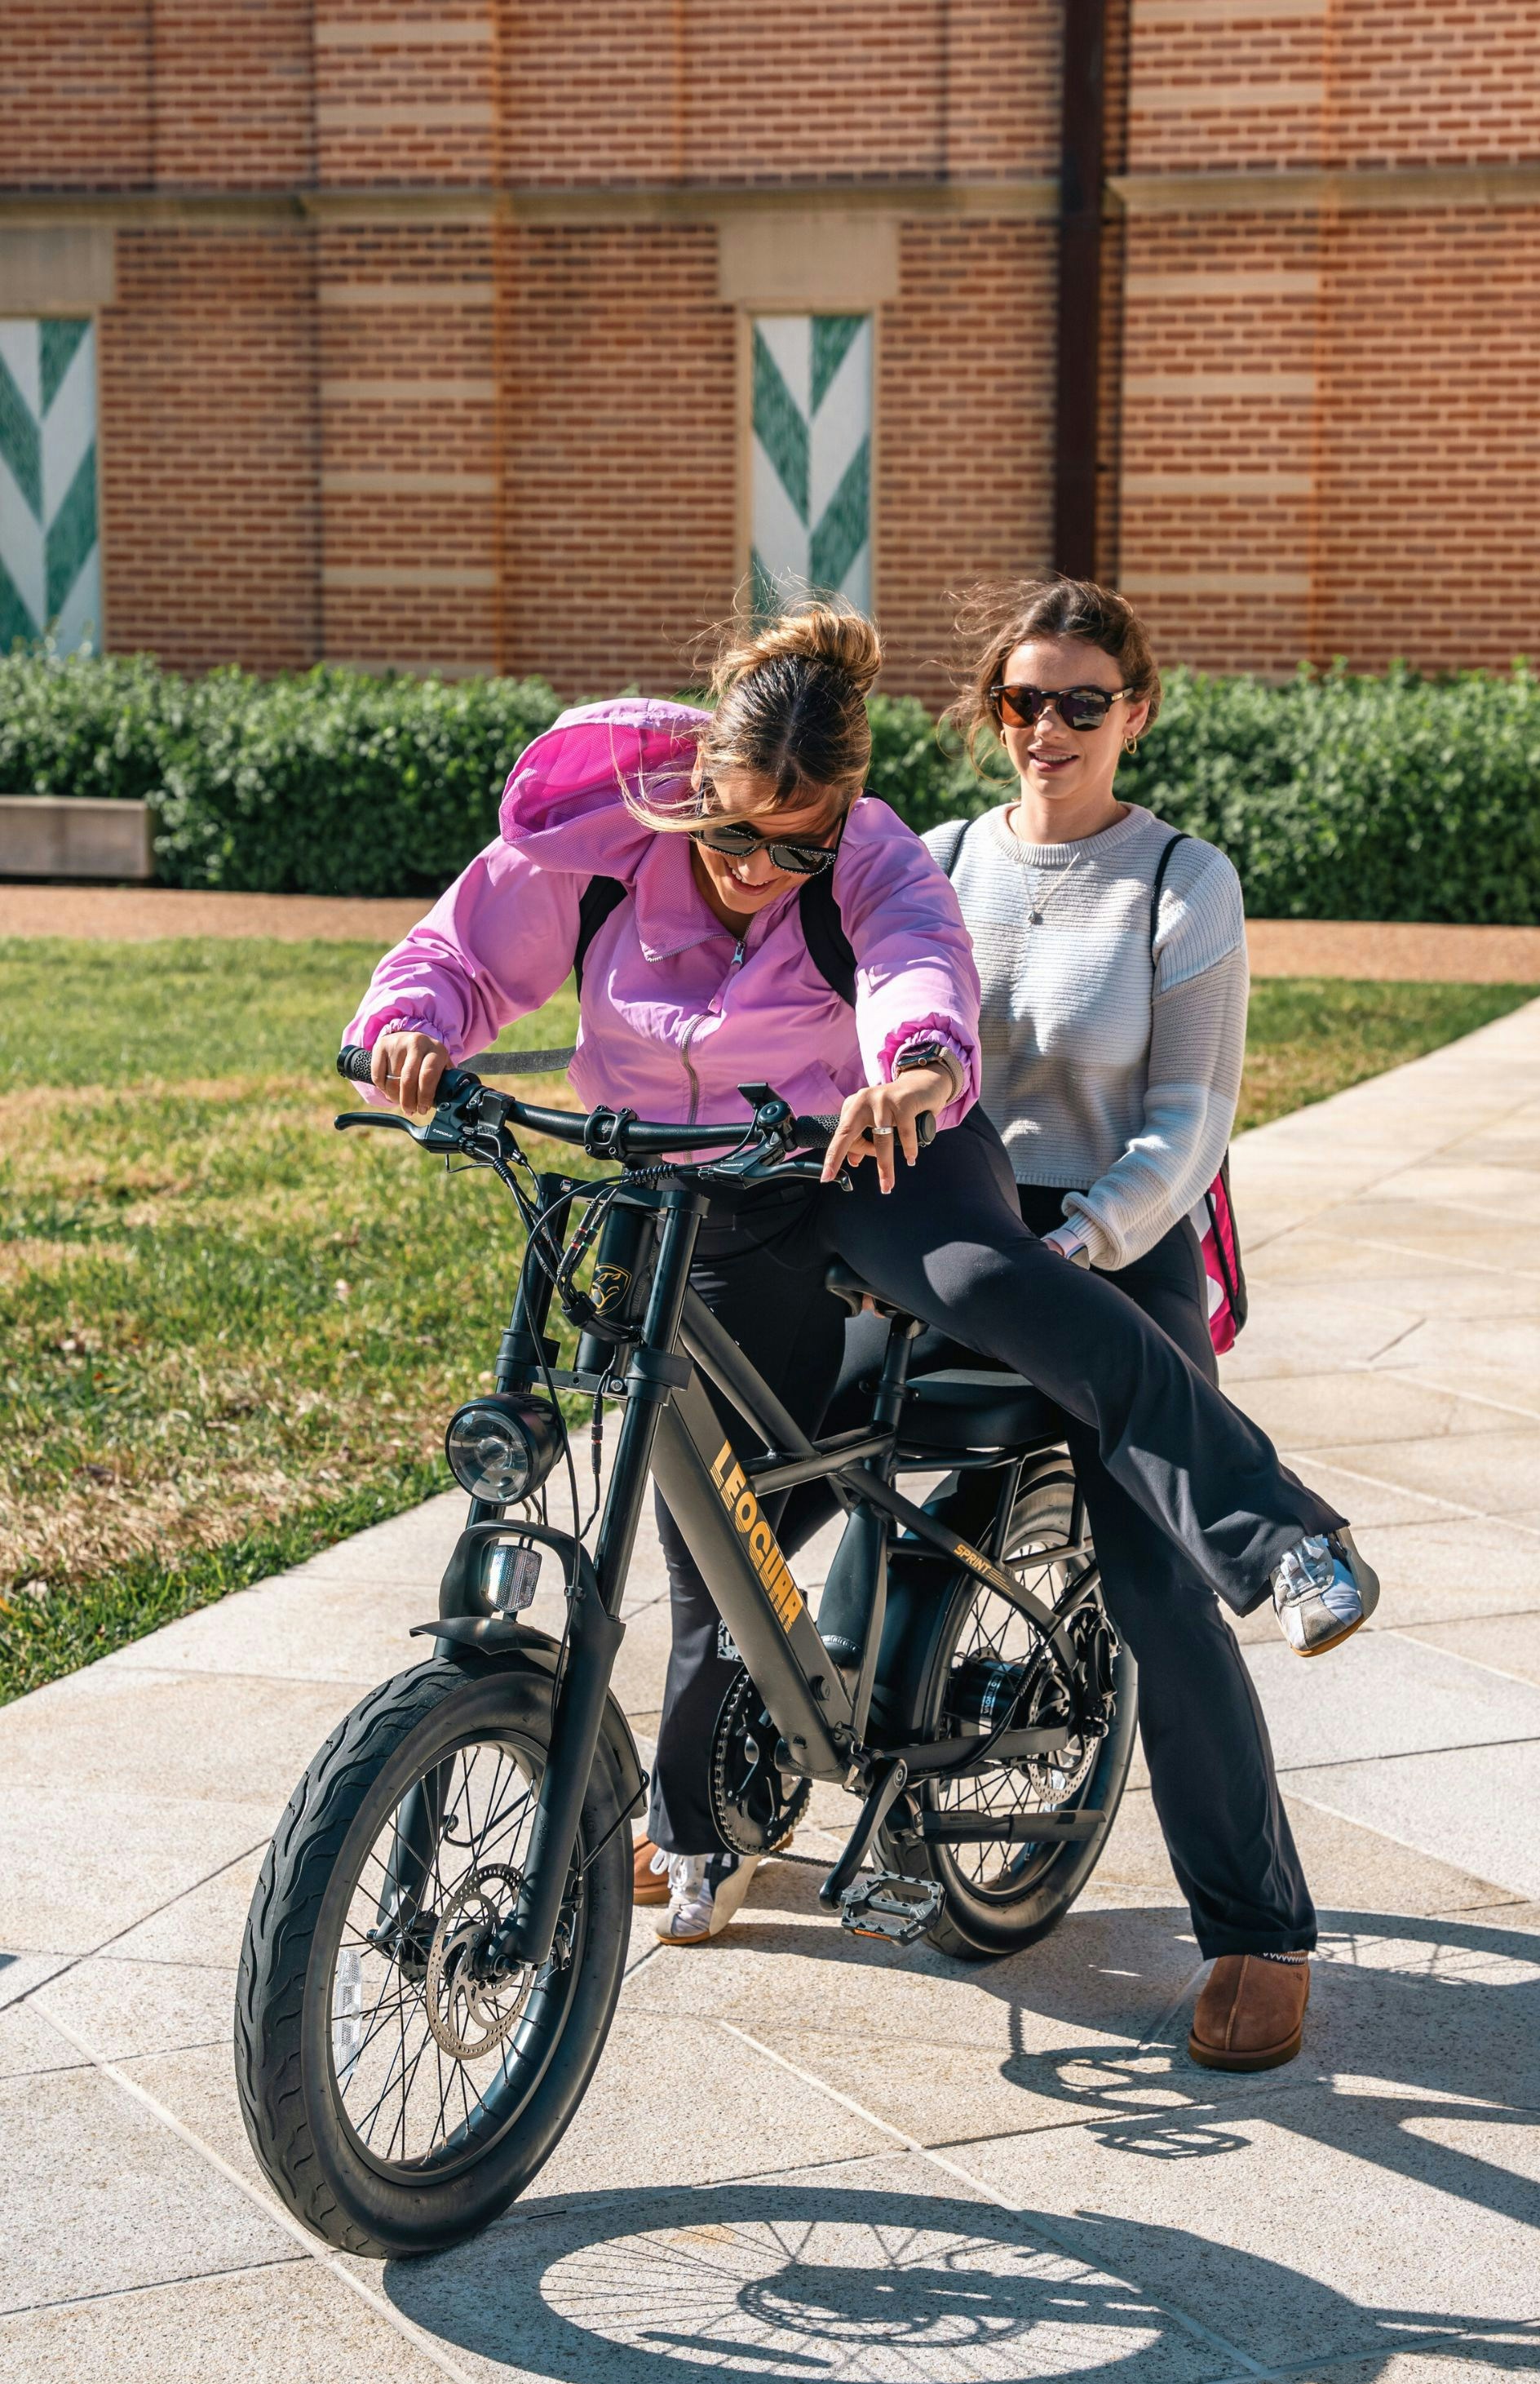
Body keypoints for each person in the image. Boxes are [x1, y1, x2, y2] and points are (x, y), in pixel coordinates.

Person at [344, 603, 1377, 1973]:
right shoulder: (612, 831)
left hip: (887, 1157)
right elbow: (470, 948)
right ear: (691, 779)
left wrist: (919, 1072)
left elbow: (916, 972)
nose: (760, 868)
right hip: (693, 1179)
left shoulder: (943, 860)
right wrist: (406, 1027)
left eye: (797, 841)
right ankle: (707, 1813)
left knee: (1014, 1308)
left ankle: (1275, 1555)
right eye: (730, 832)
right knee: (721, 1500)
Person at [780, 577, 1348, 2071]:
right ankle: (717, 1795)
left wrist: (1080, 1252)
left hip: (1119, 1237)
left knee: (1154, 1579)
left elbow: (1191, 1125)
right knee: (771, 1455)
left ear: (1135, 714)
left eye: (1082, 702)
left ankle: (1257, 1928)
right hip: (941, 1225)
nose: (1048, 728)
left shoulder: (1181, 879)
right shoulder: (939, 861)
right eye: (1024, 701)